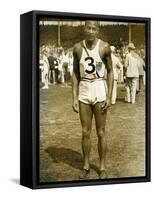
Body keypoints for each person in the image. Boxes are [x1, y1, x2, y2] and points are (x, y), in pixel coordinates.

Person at [72, 21, 113, 179]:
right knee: (85, 132)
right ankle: (86, 165)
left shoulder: (104, 47)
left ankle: (102, 167)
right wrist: (74, 97)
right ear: (84, 29)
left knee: (101, 132)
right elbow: (75, 73)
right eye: (88, 28)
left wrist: (109, 96)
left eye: (94, 28)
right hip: (84, 89)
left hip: (99, 88)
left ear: (98, 30)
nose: (90, 31)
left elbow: (110, 71)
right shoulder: (77, 48)